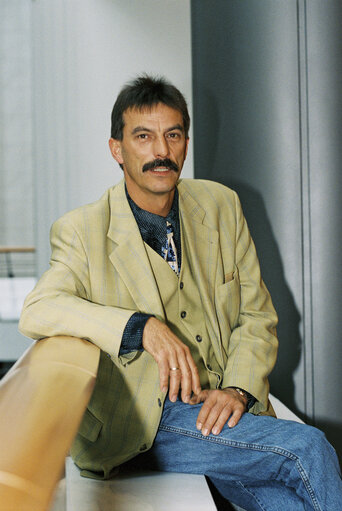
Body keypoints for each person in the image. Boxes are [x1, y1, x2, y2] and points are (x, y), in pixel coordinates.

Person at [19, 75, 342, 510]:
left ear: (185, 143)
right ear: (117, 149)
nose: (160, 151)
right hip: (144, 425)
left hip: (220, 406)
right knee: (308, 447)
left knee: (284, 501)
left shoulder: (220, 205)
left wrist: (238, 392)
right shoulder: (82, 229)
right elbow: (39, 308)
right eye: (143, 137)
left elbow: (256, 316)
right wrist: (142, 327)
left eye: (172, 135)